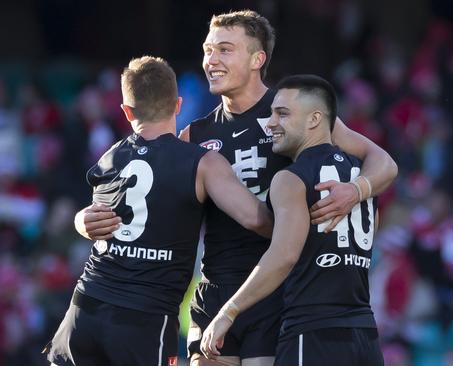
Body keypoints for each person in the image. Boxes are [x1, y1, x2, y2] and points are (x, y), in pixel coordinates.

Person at [75, 9, 398, 366]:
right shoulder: (194, 135)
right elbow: (146, 204)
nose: (211, 59)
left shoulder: (293, 113)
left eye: (225, 49)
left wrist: (355, 191)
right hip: (214, 288)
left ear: (258, 58)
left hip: (275, 291)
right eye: (207, 50)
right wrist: (84, 219)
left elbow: (384, 162)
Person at [46, 56, 273, 366]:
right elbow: (256, 218)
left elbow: (92, 217)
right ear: (177, 104)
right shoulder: (201, 162)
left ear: (126, 111)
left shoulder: (110, 158)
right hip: (145, 319)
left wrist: (78, 222)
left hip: (86, 308)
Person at [201, 74, 384, 366]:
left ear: (314, 120)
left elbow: (284, 255)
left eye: (282, 114)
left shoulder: (289, 179)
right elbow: (375, 222)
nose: (271, 123)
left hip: (312, 334)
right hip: (364, 334)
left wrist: (228, 312)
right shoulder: (361, 178)